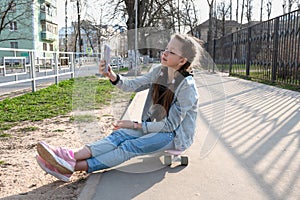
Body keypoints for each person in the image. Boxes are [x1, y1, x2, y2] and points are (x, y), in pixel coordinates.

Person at [36, 33, 203, 182]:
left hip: (172, 136)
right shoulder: (159, 71)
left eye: (171, 52)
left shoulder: (187, 87)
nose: (164, 53)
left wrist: (134, 125)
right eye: (166, 48)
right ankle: (69, 157)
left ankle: (70, 167)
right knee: (120, 135)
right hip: (153, 128)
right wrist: (111, 75)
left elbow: (169, 126)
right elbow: (132, 85)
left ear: (182, 61)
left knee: (129, 146)